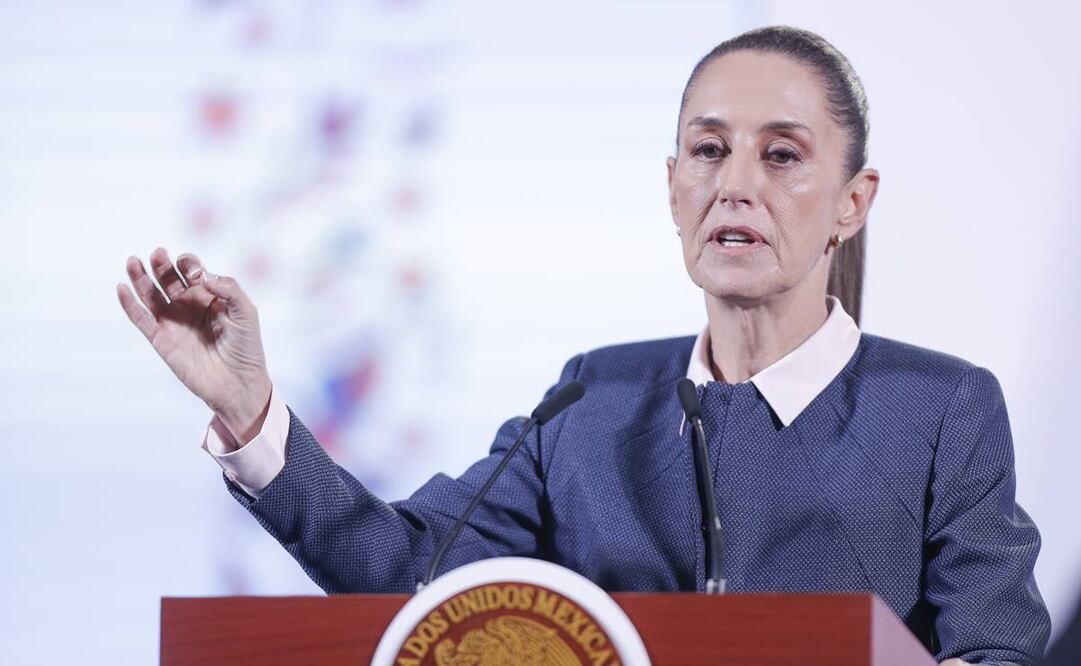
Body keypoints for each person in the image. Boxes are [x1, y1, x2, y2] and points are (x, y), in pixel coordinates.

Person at [117, 26, 1050, 664]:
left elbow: (995, 649)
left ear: (851, 202)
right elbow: (413, 578)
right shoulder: (590, 401)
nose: (735, 185)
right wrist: (248, 410)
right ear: (672, 187)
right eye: (708, 150)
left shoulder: (941, 410)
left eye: (780, 155)